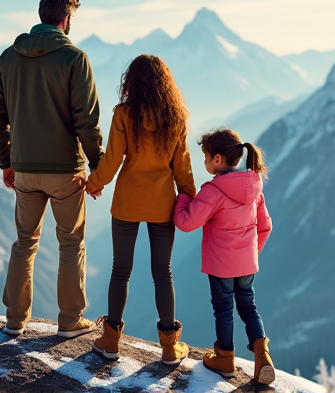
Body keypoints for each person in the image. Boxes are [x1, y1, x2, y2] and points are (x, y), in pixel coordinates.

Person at [0, 0, 103, 338]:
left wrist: (7, 161)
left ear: (42, 17)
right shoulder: (74, 58)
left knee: (25, 242)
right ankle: (70, 320)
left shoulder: (8, 58)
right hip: (65, 171)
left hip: (23, 169)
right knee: (70, 243)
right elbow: (87, 120)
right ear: (65, 20)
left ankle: (14, 319)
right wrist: (97, 165)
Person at [85, 54, 196, 364]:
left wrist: (94, 183)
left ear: (130, 82)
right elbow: (182, 166)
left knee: (121, 270)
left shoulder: (124, 114)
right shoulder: (176, 118)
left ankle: (109, 341)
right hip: (162, 204)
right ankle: (170, 347)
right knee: (163, 274)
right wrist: (190, 197)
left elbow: (113, 159)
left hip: (127, 202)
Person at [173, 128, 275, 385]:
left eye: (206, 156)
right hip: (247, 265)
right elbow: (265, 226)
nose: (205, 161)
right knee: (248, 307)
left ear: (218, 159)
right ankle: (263, 355)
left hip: (221, 267)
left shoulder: (214, 191)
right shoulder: (254, 188)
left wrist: (183, 196)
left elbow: (186, 222)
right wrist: (250, 254)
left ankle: (225, 357)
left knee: (224, 310)